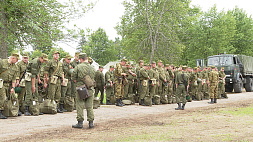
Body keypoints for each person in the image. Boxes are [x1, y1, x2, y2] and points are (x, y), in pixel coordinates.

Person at [72, 53, 95, 129]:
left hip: (81, 89)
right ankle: (91, 123)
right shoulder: (92, 67)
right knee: (89, 106)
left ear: (81, 59)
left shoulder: (78, 67)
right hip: (90, 88)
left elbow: (74, 78)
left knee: (80, 105)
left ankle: (80, 123)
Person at [0, 53, 19, 119]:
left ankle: (6, 111)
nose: (17, 61)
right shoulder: (2, 62)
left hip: (9, 84)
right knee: (2, 97)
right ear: (13, 58)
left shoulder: (15, 67)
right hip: (1, 82)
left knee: (9, 97)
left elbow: (13, 78)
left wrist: (13, 87)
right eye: (16, 60)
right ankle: (0, 111)